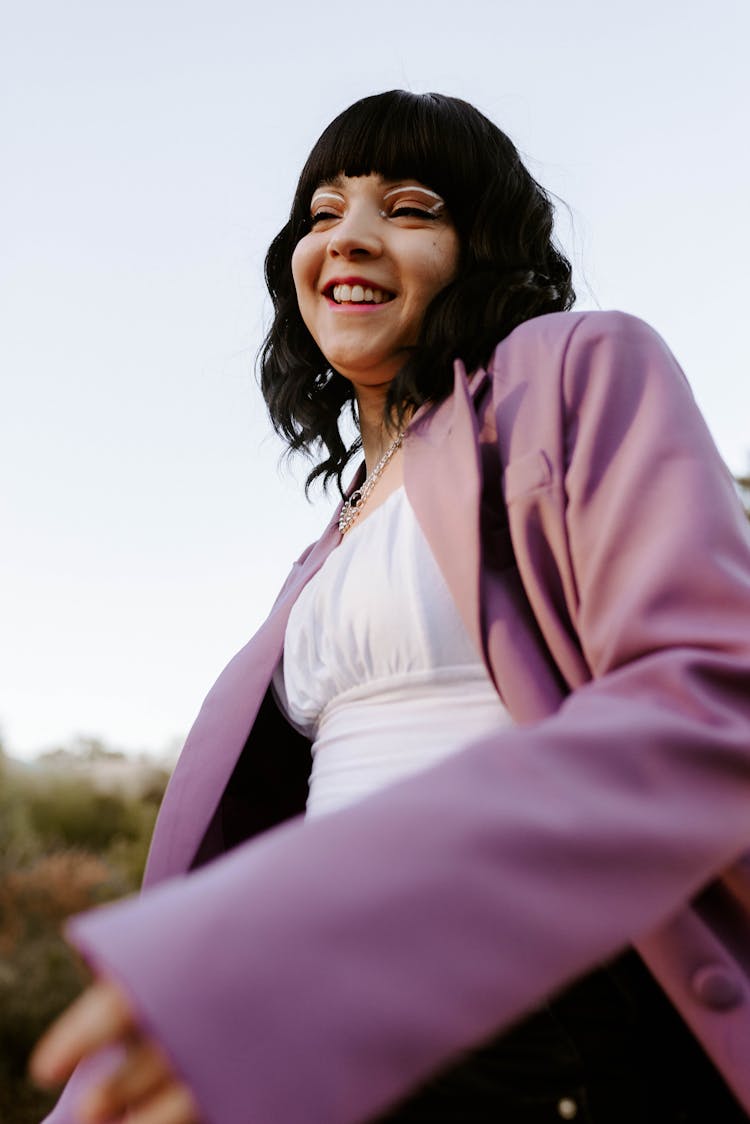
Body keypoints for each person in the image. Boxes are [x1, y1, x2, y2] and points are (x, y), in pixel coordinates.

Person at [32, 90, 750, 1124]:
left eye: (409, 209)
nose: (348, 239)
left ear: (484, 248)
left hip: (531, 986)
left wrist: (325, 930)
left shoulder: (577, 366)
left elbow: (708, 693)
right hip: (320, 992)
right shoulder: (327, 550)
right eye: (322, 213)